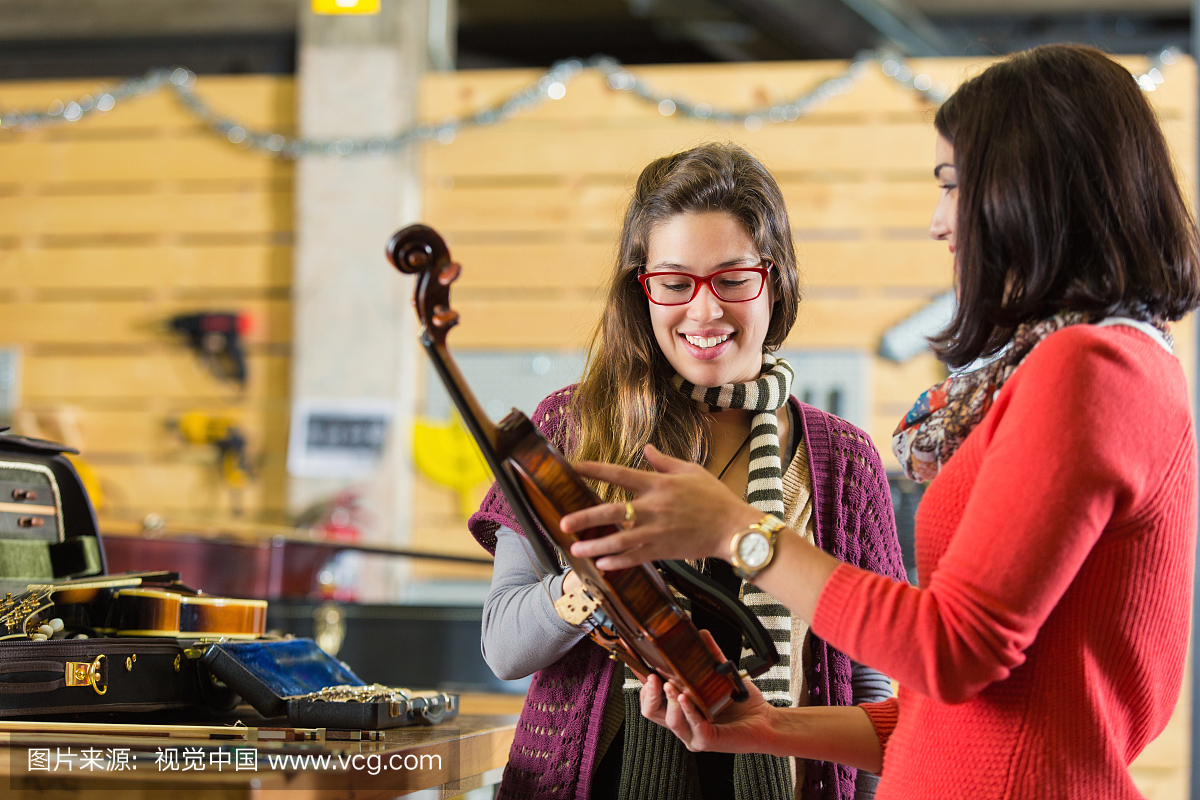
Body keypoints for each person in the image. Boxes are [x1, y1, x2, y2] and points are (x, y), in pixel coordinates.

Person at [565, 45, 1200, 799]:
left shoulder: (1090, 369)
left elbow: (951, 649)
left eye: (954, 187)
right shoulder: (1117, 364)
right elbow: (952, 716)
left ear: (1033, 193)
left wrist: (738, 534)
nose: (940, 223)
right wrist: (764, 728)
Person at [468, 142, 907, 800]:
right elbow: (505, 647)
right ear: (641, 288)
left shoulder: (842, 459)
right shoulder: (571, 426)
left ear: (775, 280)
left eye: (732, 280)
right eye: (675, 284)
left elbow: (871, 679)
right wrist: (597, 582)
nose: (704, 312)